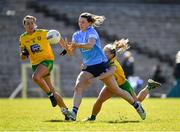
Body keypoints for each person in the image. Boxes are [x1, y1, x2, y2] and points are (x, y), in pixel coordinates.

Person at [65, 12, 146, 121]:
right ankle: (73, 114)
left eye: (83, 22)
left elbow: (90, 45)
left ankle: (137, 106)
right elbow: (71, 52)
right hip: (89, 66)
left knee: (117, 90)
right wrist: (66, 48)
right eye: (79, 21)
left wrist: (76, 45)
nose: (80, 23)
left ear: (89, 23)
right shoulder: (76, 35)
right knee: (78, 86)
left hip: (100, 64)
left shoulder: (92, 32)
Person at [83, 39, 161, 121]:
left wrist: (97, 78)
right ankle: (92, 118)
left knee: (138, 101)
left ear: (112, 54)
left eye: (106, 52)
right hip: (110, 86)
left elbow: (110, 72)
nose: (104, 54)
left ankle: (149, 86)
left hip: (123, 84)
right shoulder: (104, 60)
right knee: (99, 100)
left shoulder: (113, 63)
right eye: (103, 51)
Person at [19, 15, 71, 119]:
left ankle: (50, 96)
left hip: (47, 61)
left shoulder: (43, 33)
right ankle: (66, 112)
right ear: (24, 25)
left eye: (32, 23)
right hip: (35, 65)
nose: (30, 25)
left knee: (35, 77)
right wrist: (24, 53)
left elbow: (56, 36)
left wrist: (65, 48)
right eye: (27, 23)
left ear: (35, 24)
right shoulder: (23, 38)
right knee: (52, 89)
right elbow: (22, 57)